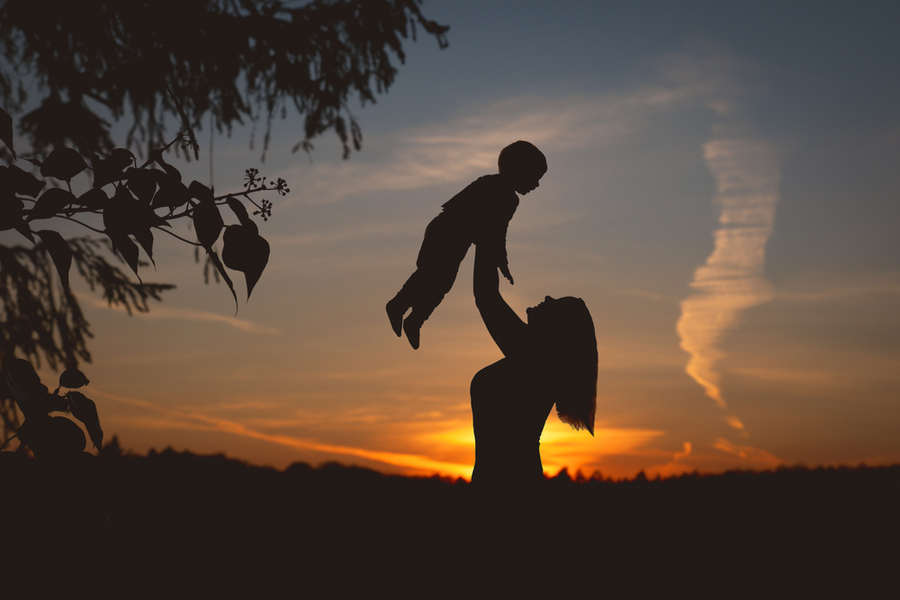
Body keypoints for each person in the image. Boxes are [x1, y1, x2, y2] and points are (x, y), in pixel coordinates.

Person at [386, 141, 547, 349]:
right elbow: (494, 232)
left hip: (454, 240)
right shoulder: (497, 191)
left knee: (442, 283)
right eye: (534, 178)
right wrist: (499, 258)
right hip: (445, 233)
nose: (536, 185)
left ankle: (415, 319)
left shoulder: (504, 196)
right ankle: (399, 305)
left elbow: (496, 234)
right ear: (518, 171)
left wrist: (501, 260)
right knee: (430, 276)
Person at [469, 244, 598, 490]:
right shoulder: (534, 358)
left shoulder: (535, 360)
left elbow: (486, 296)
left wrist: (485, 233)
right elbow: (486, 296)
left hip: (510, 490)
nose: (548, 298)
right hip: (505, 486)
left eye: (557, 306)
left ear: (558, 333)